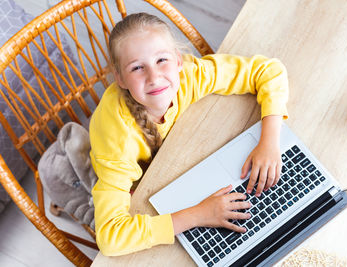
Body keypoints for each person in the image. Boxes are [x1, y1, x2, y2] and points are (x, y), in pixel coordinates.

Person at [89, 12, 289, 256]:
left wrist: (269, 142)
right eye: (137, 68)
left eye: (161, 60)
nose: (154, 77)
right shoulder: (117, 141)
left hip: (177, 158)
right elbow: (111, 237)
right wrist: (199, 214)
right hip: (132, 176)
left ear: (178, 60)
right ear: (119, 78)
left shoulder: (190, 76)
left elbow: (268, 71)